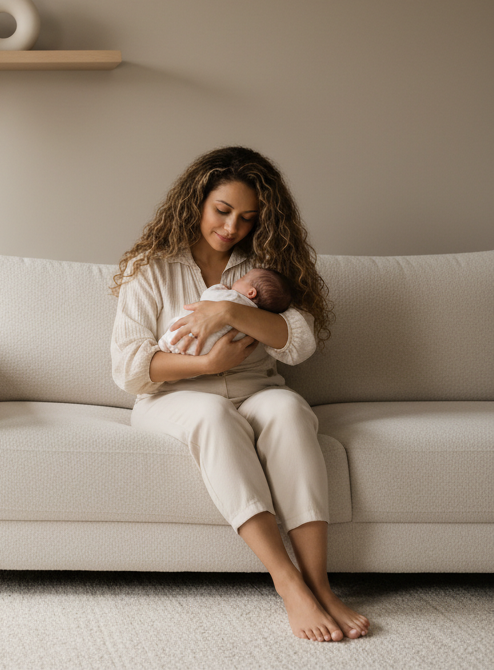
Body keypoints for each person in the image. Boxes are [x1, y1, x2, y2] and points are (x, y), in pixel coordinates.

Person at [109, 146, 370, 642]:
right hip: (172, 398)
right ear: (196, 202)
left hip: (257, 389)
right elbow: (128, 367)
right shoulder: (152, 267)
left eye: (247, 219)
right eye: (222, 211)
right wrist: (207, 364)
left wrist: (227, 312)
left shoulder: (264, 266)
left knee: (290, 409)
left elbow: (298, 342)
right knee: (211, 415)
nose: (231, 228)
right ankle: (287, 580)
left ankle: (321, 584)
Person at [158, 268, 292, 356]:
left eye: (243, 278)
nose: (237, 280)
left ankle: (165, 344)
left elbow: (207, 297)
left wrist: (220, 288)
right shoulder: (255, 318)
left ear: (251, 292)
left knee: (177, 324)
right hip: (209, 351)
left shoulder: (232, 297)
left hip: (189, 342)